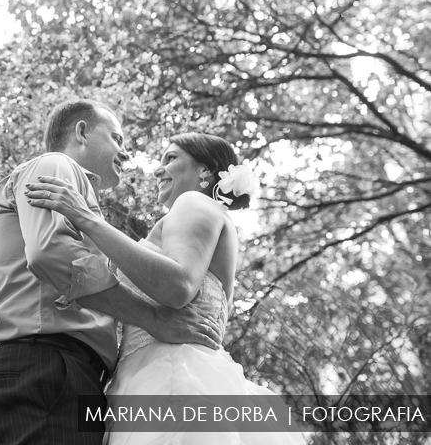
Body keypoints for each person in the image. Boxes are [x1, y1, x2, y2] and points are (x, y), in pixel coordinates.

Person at [25, 133, 308, 444]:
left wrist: (86, 218)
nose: (158, 170)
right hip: (158, 375)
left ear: (205, 172)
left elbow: (178, 286)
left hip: (173, 374)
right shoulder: (195, 217)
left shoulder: (194, 202)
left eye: (171, 158)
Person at [0, 102, 224, 445]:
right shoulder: (55, 165)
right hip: (44, 365)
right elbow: (52, 253)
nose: (124, 152)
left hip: (68, 372)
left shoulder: (80, 202)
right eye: (116, 138)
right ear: (81, 132)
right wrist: (153, 318)